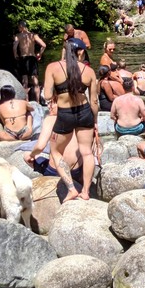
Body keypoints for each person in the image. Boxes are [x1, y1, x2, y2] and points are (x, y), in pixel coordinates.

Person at [43, 40, 99, 201]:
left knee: (55, 151)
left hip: (65, 115)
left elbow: (47, 95)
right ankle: (86, 191)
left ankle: (71, 189)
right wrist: (94, 121)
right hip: (85, 113)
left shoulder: (52, 68)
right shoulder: (89, 71)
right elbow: (94, 101)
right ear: (80, 52)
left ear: (64, 50)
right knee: (87, 152)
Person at [12, 21, 46, 103]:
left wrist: (15, 54)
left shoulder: (18, 36)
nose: (18, 29)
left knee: (25, 82)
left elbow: (15, 46)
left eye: (19, 27)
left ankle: (26, 102)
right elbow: (44, 45)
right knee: (35, 82)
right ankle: (38, 102)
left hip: (23, 58)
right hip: (32, 58)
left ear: (21, 26)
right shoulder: (33, 35)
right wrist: (39, 54)